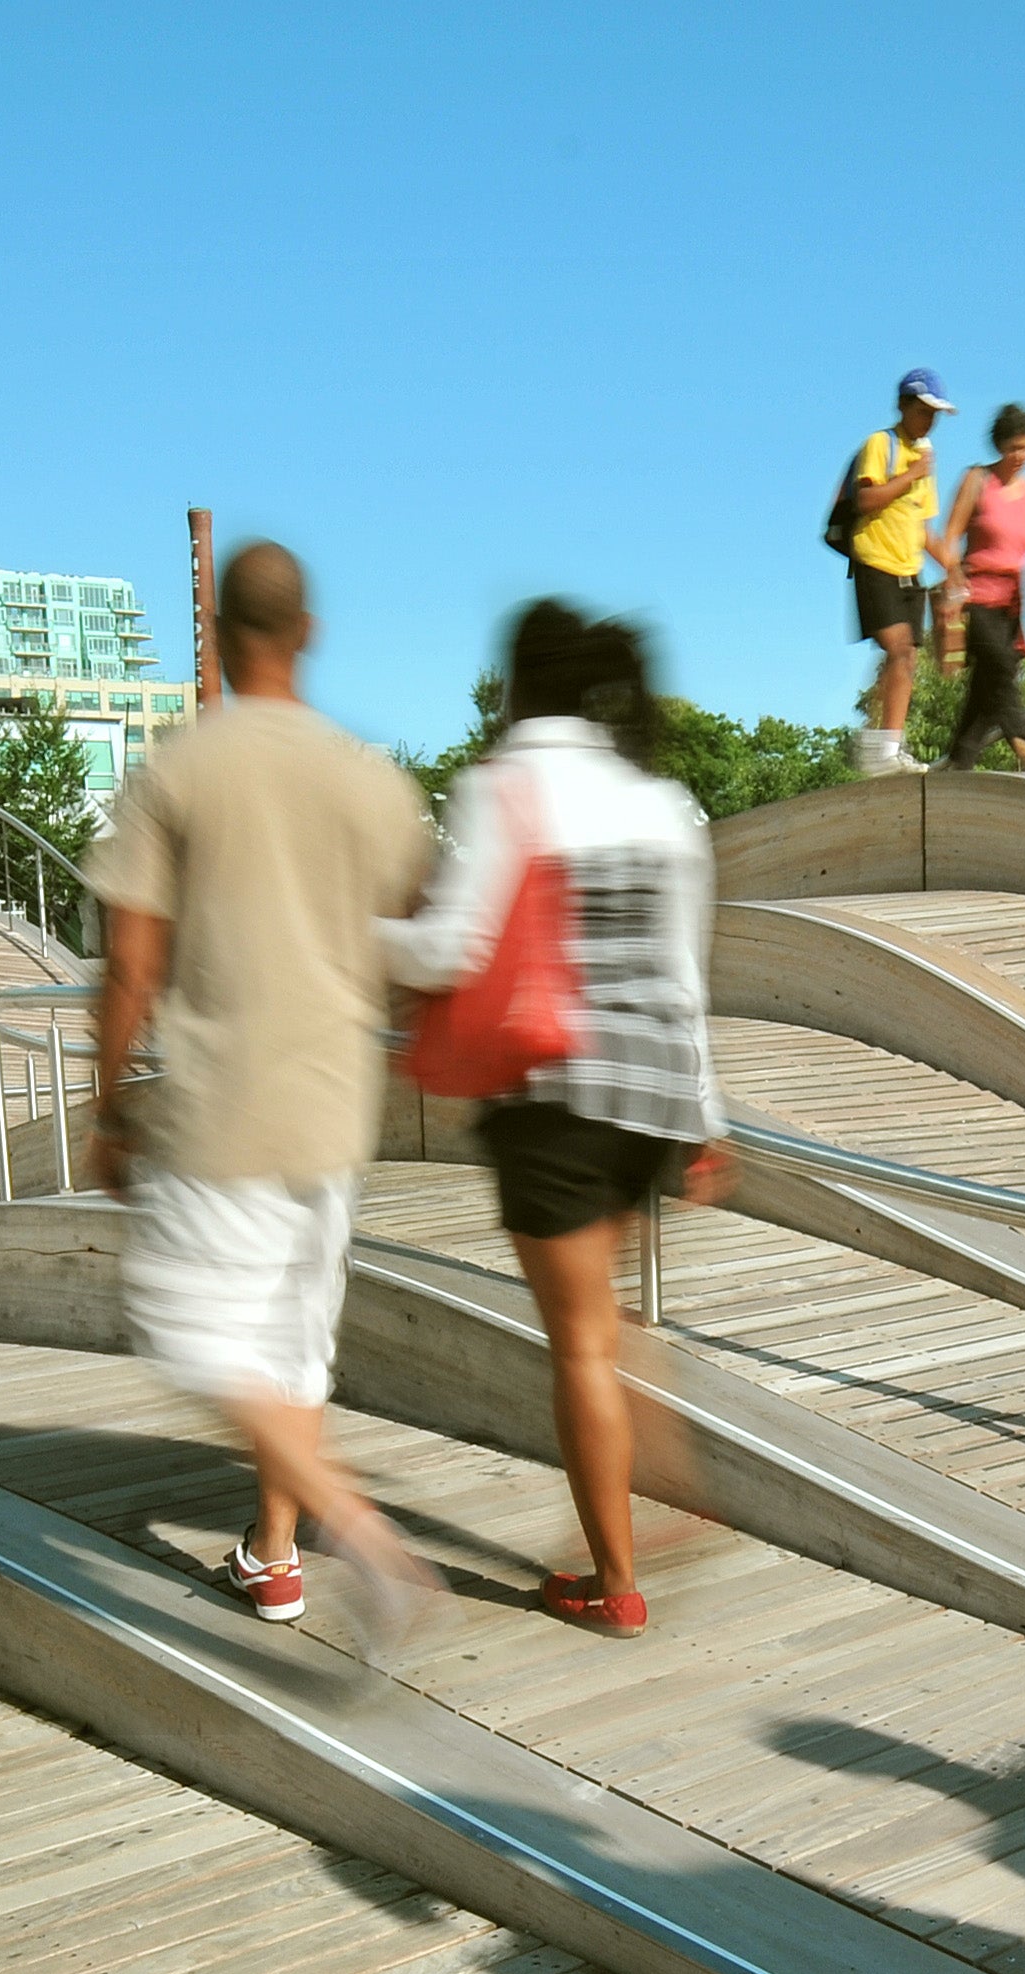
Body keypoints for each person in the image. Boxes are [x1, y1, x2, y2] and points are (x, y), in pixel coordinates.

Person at [84, 540, 442, 1636]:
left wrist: (105, 1103)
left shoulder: (180, 768)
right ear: (306, 634)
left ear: (222, 639)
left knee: (185, 1329)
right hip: (332, 1112)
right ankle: (275, 1556)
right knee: (294, 1350)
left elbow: (134, 961)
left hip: (220, 1105)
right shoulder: (367, 775)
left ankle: (359, 1532)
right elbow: (424, 938)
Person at [388, 601, 730, 1635]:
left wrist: (350, 937)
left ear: (513, 686)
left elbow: (451, 948)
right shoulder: (660, 799)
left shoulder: (506, 785)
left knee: (579, 1342)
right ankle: (667, 1489)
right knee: (608, 1323)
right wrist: (704, 1118)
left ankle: (613, 1582)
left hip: (561, 1092)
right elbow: (683, 970)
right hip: (656, 1091)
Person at [933, 405, 1025, 773]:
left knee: (988, 685)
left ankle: (960, 759)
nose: (1021, 456)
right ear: (999, 445)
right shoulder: (977, 480)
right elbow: (948, 538)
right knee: (998, 667)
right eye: (1014, 448)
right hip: (974, 594)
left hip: (1012, 604)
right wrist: (951, 578)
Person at [840, 371, 954, 777]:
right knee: (899, 648)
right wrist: (911, 475)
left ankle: (885, 745)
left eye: (936, 414)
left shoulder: (926, 458)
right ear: (904, 405)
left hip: (910, 570)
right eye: (924, 411)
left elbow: (925, 529)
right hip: (875, 561)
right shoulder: (881, 444)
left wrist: (955, 567)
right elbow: (867, 497)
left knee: (906, 659)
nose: (930, 420)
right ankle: (878, 747)